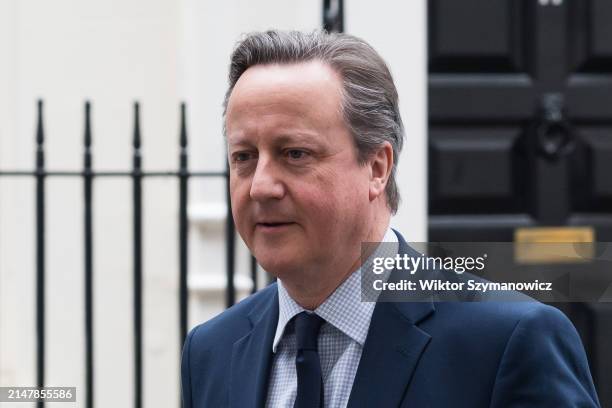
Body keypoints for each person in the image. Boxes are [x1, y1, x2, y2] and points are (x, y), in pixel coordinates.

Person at [180, 30, 600, 408]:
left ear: (377, 168)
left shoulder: (508, 342)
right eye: (244, 158)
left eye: (295, 154)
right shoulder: (211, 352)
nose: (260, 187)